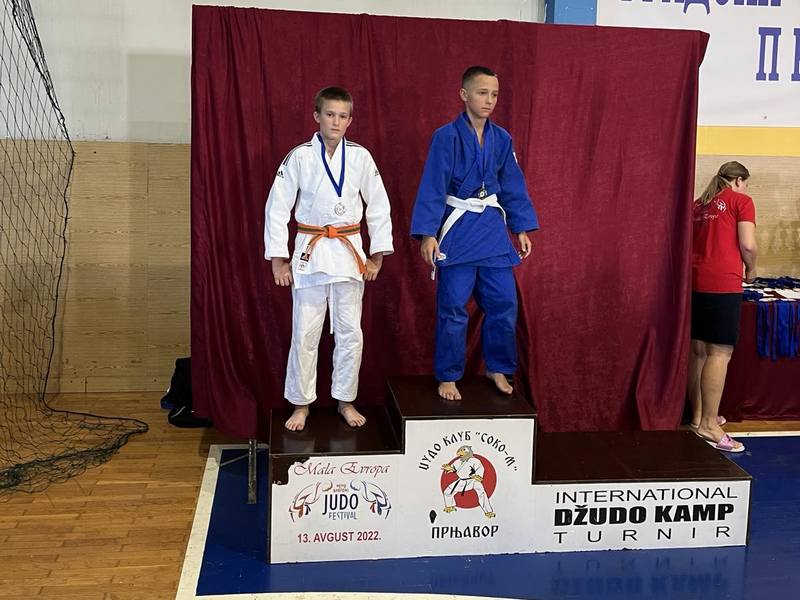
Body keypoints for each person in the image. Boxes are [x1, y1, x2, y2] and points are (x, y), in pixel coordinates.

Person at [264, 86, 393, 431]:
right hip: (311, 252)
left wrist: (377, 256)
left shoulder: (361, 157)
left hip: (349, 254)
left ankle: (345, 400)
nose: (336, 122)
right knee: (305, 333)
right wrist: (278, 260)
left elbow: (379, 206)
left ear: (350, 120)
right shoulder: (299, 157)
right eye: (330, 114)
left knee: (350, 333)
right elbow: (277, 208)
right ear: (316, 116)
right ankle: (301, 403)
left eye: (342, 116)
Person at [410, 66, 539, 401]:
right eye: (482, 93)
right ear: (464, 94)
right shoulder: (446, 137)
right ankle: (448, 375)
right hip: (458, 231)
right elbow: (433, 185)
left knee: (504, 302)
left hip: (492, 231)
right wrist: (427, 233)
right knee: (453, 307)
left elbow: (512, 185)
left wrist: (520, 227)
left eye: (494, 94)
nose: (489, 100)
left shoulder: (502, 139)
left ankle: (498, 367)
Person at [688, 161, 757, 453]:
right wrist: (751, 269)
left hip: (695, 282)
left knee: (698, 351)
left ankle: (698, 418)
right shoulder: (741, 201)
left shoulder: (698, 204)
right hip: (722, 284)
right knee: (719, 352)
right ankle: (709, 425)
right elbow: (748, 245)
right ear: (738, 181)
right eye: (746, 184)